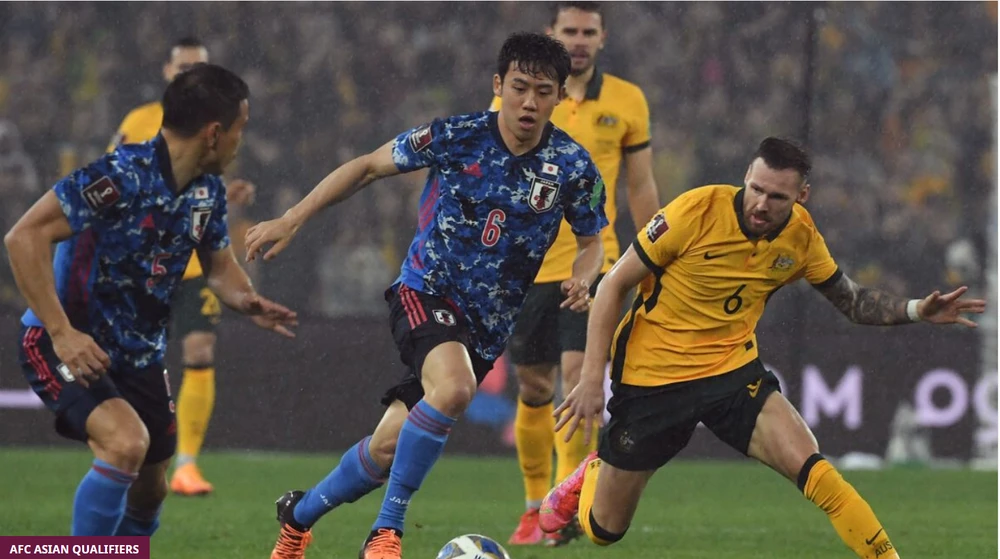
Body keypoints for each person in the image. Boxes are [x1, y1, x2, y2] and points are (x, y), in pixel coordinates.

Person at [247, 32, 608, 559]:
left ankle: (297, 519)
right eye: (519, 87)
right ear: (498, 85)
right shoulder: (455, 135)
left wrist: (583, 276)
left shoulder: (573, 166)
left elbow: (593, 241)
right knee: (456, 388)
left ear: (560, 95)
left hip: (484, 330)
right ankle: (386, 532)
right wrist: (292, 218)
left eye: (542, 91)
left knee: (385, 448)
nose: (529, 102)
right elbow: (367, 166)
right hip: (425, 292)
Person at [540, 137, 985, 558]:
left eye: (777, 197)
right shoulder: (695, 211)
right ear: (746, 177)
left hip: (732, 374)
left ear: (801, 196)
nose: (761, 204)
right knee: (605, 531)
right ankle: (594, 471)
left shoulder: (801, 237)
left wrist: (915, 310)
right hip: (653, 379)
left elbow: (851, 301)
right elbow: (613, 285)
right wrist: (592, 379)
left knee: (816, 471)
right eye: (756, 189)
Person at [5, 64, 297, 537]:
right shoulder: (118, 176)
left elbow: (218, 267)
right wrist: (61, 332)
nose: (240, 143)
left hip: (138, 355)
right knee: (125, 445)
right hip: (66, 342)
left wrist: (246, 300)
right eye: (240, 129)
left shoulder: (207, 191)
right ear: (214, 133)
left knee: (150, 488)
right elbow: (23, 237)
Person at [490, 2, 660, 547]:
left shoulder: (628, 100)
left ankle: (562, 511)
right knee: (534, 385)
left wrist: (656, 252)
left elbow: (639, 185)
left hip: (593, 263)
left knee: (577, 378)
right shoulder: (524, 96)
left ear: (603, 37)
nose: (580, 40)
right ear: (552, 33)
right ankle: (532, 505)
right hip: (526, 266)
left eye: (589, 31)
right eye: (571, 31)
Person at [108, 37, 257, 496]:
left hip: (192, 265)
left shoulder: (219, 124)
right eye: (184, 67)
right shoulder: (139, 121)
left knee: (199, 350)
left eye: (198, 67)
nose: (190, 74)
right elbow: (114, 180)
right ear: (166, 71)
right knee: (135, 360)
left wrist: (225, 196)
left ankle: (187, 464)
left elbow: (203, 187)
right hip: (143, 264)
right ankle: (125, 451)